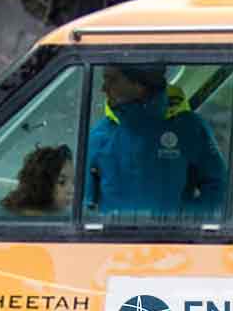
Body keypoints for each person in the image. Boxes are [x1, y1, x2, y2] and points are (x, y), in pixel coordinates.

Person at [83, 64, 224, 216]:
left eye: (112, 80)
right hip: (112, 239)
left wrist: (182, 219)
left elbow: (219, 188)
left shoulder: (189, 128)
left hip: (176, 238)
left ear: (139, 84)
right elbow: (83, 204)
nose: (103, 88)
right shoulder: (101, 135)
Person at [1, 145, 73, 216]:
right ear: (43, 184)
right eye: (62, 182)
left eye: (73, 182)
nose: (72, 190)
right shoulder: (33, 218)